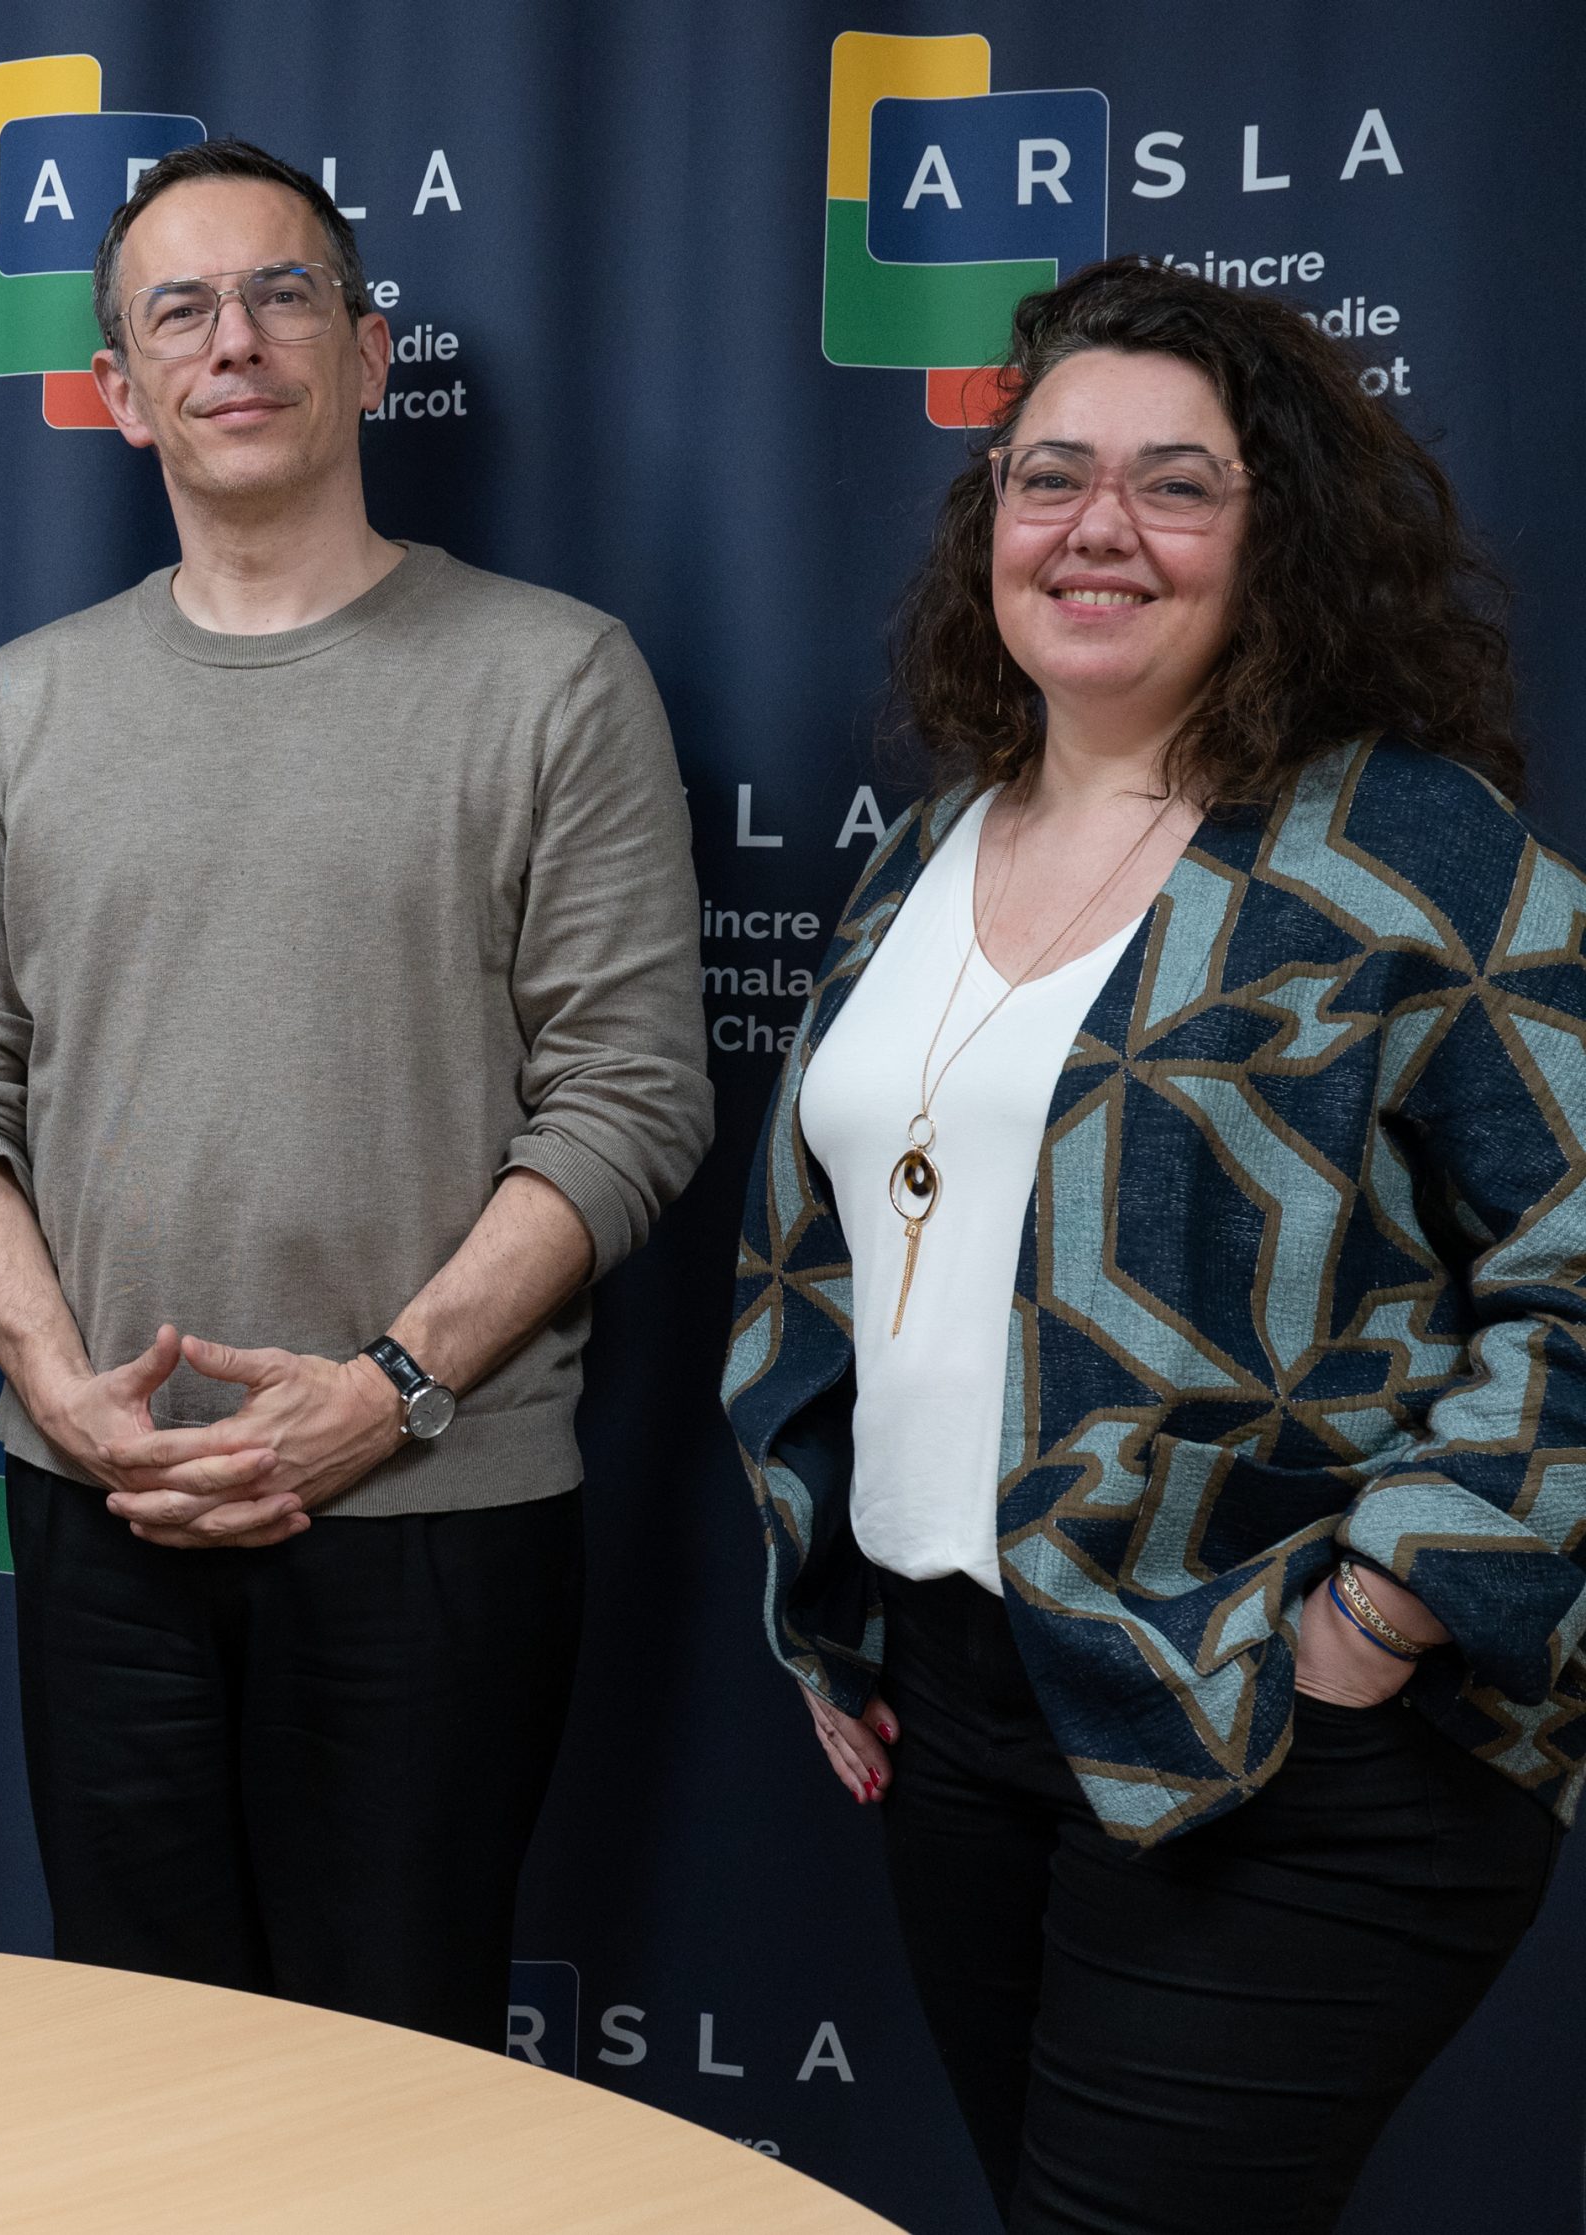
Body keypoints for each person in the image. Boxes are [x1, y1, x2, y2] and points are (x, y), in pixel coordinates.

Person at [727, 258, 1574, 2231]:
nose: (1099, 525)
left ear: (1281, 538)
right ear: (992, 523)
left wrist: (1384, 1615)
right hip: (965, 1705)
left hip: (1282, 1725)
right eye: (1051, 477)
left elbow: (1578, 1261)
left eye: (1177, 484)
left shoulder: (1404, 848)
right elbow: (852, 1260)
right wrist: (838, 1591)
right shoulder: (922, 850)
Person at [0, 141, 709, 2048]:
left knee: (394, 2078)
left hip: (436, 1505)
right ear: (116, 391)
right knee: (149, 2073)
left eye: (284, 297)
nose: (233, 341)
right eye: (180, 309)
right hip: (109, 1510)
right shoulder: (26, 703)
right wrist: (63, 1397)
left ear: (370, 354)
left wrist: (392, 1391)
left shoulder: (555, 680)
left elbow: (630, 1103)